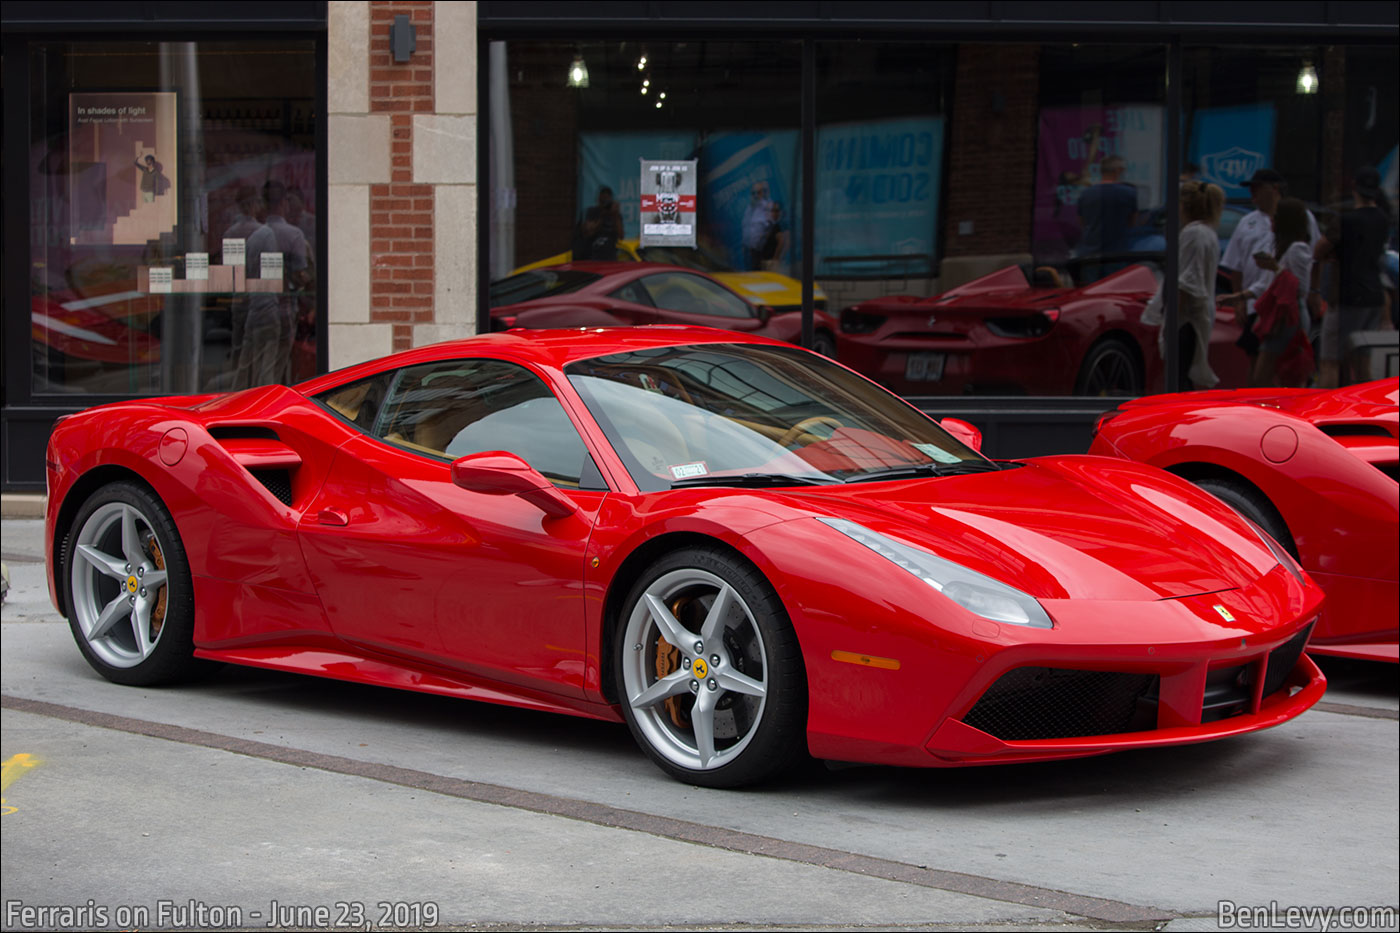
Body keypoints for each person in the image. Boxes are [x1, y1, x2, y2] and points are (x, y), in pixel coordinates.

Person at [1219, 168, 1320, 353]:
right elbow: (1236, 265)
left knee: (1280, 360)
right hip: (1256, 303)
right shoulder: (1246, 222)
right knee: (1256, 357)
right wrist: (1239, 300)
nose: (1252, 193)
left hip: (1286, 306)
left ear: (1274, 189)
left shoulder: (1301, 222)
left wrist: (1314, 292)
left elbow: (1313, 262)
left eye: (1258, 188)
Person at [1313, 165, 1393, 386]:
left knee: (1331, 361)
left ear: (1354, 187)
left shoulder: (1346, 221)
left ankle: (1326, 412)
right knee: (1361, 362)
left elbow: (1318, 250)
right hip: (1373, 295)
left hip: (1346, 296)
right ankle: (1364, 410)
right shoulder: (1383, 219)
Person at [1142, 181, 1225, 389]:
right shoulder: (1206, 232)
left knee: (1179, 379)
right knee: (1185, 376)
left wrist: (1172, 322)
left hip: (1186, 319)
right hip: (1195, 318)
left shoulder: (1193, 233)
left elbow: (1187, 283)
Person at [1245, 198, 1316, 387]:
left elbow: (1301, 287)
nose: (1271, 222)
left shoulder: (1296, 249)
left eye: (1275, 218)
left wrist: (1275, 268)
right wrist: (1240, 296)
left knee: (1268, 372)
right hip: (1280, 315)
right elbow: (1267, 284)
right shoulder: (1283, 248)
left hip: (1288, 317)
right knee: (1270, 371)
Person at [1076, 155, 1138, 267]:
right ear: (1118, 171)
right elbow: (1132, 222)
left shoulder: (1086, 194)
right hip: (1117, 255)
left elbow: (1082, 222)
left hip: (1089, 255)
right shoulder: (1128, 193)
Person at [578, 187, 624, 261]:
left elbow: (621, 236)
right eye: (603, 200)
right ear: (599, 199)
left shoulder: (615, 215)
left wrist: (616, 215)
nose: (605, 203)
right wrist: (602, 216)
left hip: (610, 256)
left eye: (607, 200)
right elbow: (588, 232)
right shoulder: (592, 212)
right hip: (593, 255)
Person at [741, 181, 774, 271]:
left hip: (760, 251)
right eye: (753, 193)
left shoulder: (767, 207)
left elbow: (771, 228)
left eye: (758, 192)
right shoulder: (749, 208)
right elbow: (745, 226)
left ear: (762, 193)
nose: (756, 195)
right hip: (748, 249)